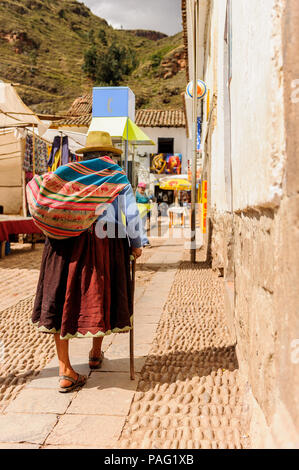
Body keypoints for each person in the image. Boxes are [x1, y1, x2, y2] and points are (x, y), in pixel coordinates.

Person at [29, 131, 143, 393]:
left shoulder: (67, 172)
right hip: (104, 243)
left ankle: (65, 369)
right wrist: (136, 244)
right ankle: (94, 352)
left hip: (62, 243)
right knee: (100, 295)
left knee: (61, 297)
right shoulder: (116, 176)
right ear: (109, 155)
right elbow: (131, 213)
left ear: (84, 154)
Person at [135, 182, 152, 247]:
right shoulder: (136, 194)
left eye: (143, 188)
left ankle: (141, 241)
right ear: (138, 188)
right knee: (140, 227)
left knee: (141, 227)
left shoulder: (145, 195)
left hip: (144, 213)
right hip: (137, 213)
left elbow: (148, 203)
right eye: (141, 188)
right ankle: (144, 241)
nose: (142, 189)